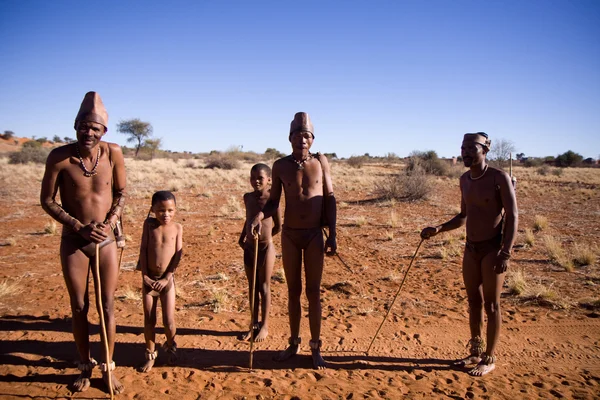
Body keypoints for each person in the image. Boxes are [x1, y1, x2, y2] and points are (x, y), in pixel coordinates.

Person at [40, 92, 126, 393]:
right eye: (83, 126)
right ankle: (84, 365)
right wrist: (78, 226)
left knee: (107, 306)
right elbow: (47, 201)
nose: (88, 132)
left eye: (95, 128)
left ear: (104, 131)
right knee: (79, 306)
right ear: (75, 125)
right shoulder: (59, 157)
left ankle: (108, 368)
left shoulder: (113, 152)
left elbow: (121, 193)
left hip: (105, 241)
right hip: (74, 241)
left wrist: (110, 223)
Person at [420, 132, 518, 376]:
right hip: (470, 249)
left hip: (493, 248)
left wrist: (505, 252)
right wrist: (439, 229)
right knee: (473, 302)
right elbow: (463, 216)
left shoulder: (499, 177)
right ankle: (475, 350)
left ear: (485, 150)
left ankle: (489, 358)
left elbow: (513, 216)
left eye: (471, 148)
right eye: (463, 148)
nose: (465, 152)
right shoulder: (464, 179)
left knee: (492, 304)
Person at [249, 112, 337, 369]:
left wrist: (332, 232)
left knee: (313, 292)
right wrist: (258, 216)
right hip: (290, 235)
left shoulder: (321, 162)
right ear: (290, 138)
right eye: (298, 135)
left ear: (312, 139)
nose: (303, 139)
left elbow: (329, 197)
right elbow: (274, 200)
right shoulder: (280, 166)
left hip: (313, 235)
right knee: (293, 291)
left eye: (307, 135)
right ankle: (294, 343)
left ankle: (316, 347)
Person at [138, 191, 183, 373]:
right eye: (161, 210)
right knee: (149, 320)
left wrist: (167, 277)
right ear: (153, 210)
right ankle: (150, 354)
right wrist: (145, 276)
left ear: (175, 210)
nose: (166, 214)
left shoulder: (178, 228)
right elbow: (143, 248)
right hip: (149, 281)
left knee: (169, 321)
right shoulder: (148, 225)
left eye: (170, 210)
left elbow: (178, 255)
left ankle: (171, 346)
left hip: (167, 281)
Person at [238, 163, 282, 342]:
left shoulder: (272, 199)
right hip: (249, 246)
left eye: (260, 178)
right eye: (253, 177)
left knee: (263, 286)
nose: (256, 181)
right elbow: (248, 219)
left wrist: (264, 238)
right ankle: (253, 325)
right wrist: (243, 237)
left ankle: (264, 326)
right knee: (252, 287)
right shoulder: (247, 197)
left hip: (265, 248)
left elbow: (278, 226)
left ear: (269, 180)